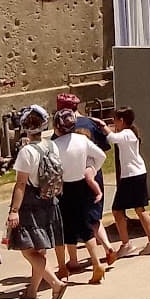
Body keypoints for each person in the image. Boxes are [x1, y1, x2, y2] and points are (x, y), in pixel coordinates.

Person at [6, 104, 68, 299]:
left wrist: (14, 211)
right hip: (49, 201)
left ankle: (55, 283)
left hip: (31, 203)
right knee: (40, 249)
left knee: (27, 250)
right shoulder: (52, 146)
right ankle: (32, 290)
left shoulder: (26, 152)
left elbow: (21, 183)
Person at [57, 93, 118, 267]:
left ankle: (74, 260)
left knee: (70, 222)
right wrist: (92, 169)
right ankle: (107, 247)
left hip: (71, 179)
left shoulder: (61, 132)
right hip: (92, 175)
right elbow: (104, 149)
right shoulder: (91, 123)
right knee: (93, 217)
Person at [51, 108, 109, 283]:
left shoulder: (54, 145)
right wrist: (92, 169)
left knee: (62, 229)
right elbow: (101, 156)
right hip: (81, 185)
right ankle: (97, 263)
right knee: (85, 226)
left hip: (63, 189)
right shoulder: (82, 140)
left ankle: (62, 267)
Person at [106, 108, 150, 257]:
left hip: (132, 176)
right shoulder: (127, 133)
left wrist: (102, 126)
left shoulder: (128, 133)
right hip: (135, 174)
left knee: (118, 210)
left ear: (122, 120)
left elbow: (111, 139)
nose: (113, 123)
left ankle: (128, 244)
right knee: (138, 208)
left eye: (115, 120)